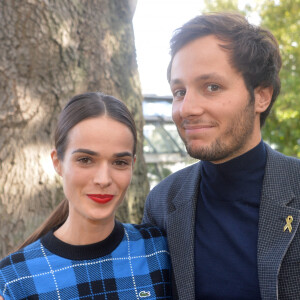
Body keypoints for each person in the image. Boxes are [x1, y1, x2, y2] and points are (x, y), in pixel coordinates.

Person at [143, 12, 300, 300]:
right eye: (179, 91)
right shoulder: (162, 203)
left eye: (211, 87)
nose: (186, 108)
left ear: (261, 97)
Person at [0, 92, 171, 299]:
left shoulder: (159, 250)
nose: (103, 179)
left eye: (119, 162)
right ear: (57, 162)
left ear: (133, 165)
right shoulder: (13, 280)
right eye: (86, 160)